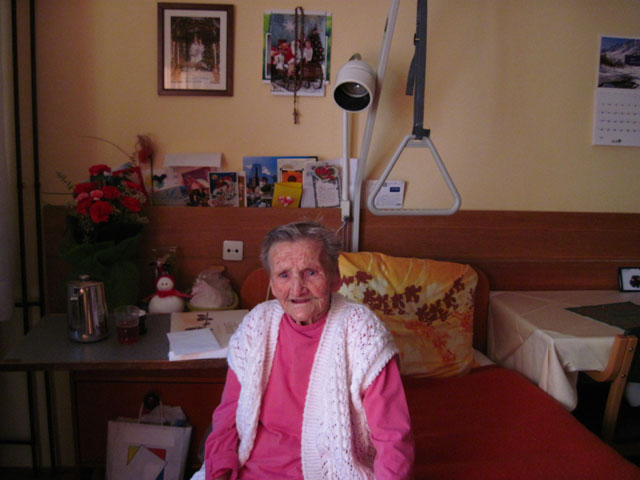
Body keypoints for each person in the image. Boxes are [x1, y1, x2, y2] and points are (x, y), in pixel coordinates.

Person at [201, 221, 414, 479]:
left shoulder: (364, 335)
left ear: (335, 278)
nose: (297, 288)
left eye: (311, 272)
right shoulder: (256, 325)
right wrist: (220, 471)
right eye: (283, 275)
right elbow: (227, 416)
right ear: (272, 283)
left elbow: (392, 437)